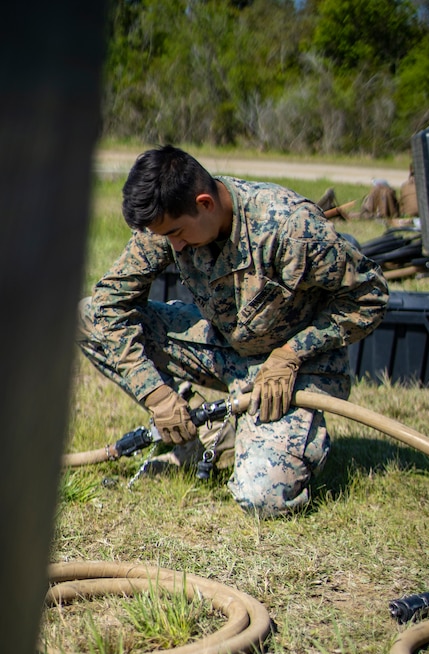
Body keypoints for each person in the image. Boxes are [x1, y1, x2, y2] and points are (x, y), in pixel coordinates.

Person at [78, 145, 389, 517]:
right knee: (85, 317)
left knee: (262, 498)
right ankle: (208, 434)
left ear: (205, 203)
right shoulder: (166, 226)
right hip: (225, 348)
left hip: (294, 371)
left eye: (177, 232)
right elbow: (110, 304)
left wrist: (292, 354)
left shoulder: (289, 227)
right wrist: (157, 395)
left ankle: (263, 438)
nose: (173, 246)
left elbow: (370, 295)